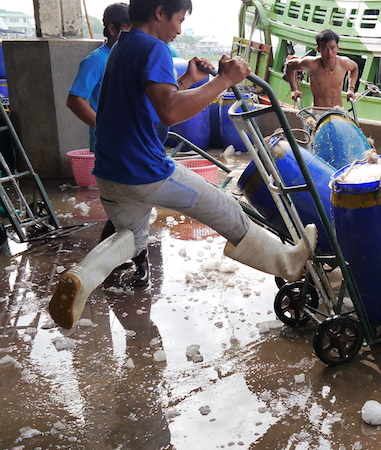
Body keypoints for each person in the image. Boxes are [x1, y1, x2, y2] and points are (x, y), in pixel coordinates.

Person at [48, 0, 316, 330]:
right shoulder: (154, 48)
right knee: (226, 208)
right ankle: (287, 263)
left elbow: (151, 108)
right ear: (160, 12)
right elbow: (170, 112)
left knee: (132, 237)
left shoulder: (121, 46)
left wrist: (189, 80)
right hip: (145, 171)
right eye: (179, 19)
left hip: (111, 171)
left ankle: (81, 277)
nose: (179, 29)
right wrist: (224, 81)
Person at [67, 3, 130, 154]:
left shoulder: (130, 57)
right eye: (128, 28)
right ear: (112, 29)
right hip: (109, 143)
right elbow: (74, 100)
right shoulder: (96, 61)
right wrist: (105, 127)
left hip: (132, 139)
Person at [284, 29, 359, 112]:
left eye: (332, 48)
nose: (329, 52)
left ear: (337, 48)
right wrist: (294, 90)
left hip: (338, 110)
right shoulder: (312, 64)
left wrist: (351, 89)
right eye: (324, 48)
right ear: (318, 49)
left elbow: (354, 68)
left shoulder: (344, 63)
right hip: (318, 111)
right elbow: (289, 65)